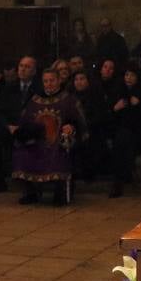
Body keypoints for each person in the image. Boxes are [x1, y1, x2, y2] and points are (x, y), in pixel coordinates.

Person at [12, 68, 86, 206]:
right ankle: (31, 193)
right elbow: (24, 121)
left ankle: (60, 192)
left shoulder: (69, 100)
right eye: (46, 81)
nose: (49, 84)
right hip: (36, 139)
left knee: (58, 152)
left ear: (59, 80)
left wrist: (71, 127)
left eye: (52, 80)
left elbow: (79, 121)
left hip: (59, 140)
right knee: (23, 152)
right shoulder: (34, 100)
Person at [0, 56, 41, 194]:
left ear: (34, 71)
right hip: (11, 128)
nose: (23, 69)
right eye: (21, 66)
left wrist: (24, 126)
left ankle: (31, 183)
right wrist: (8, 125)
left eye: (27, 67)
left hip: (29, 128)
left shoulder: (39, 88)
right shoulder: (9, 87)